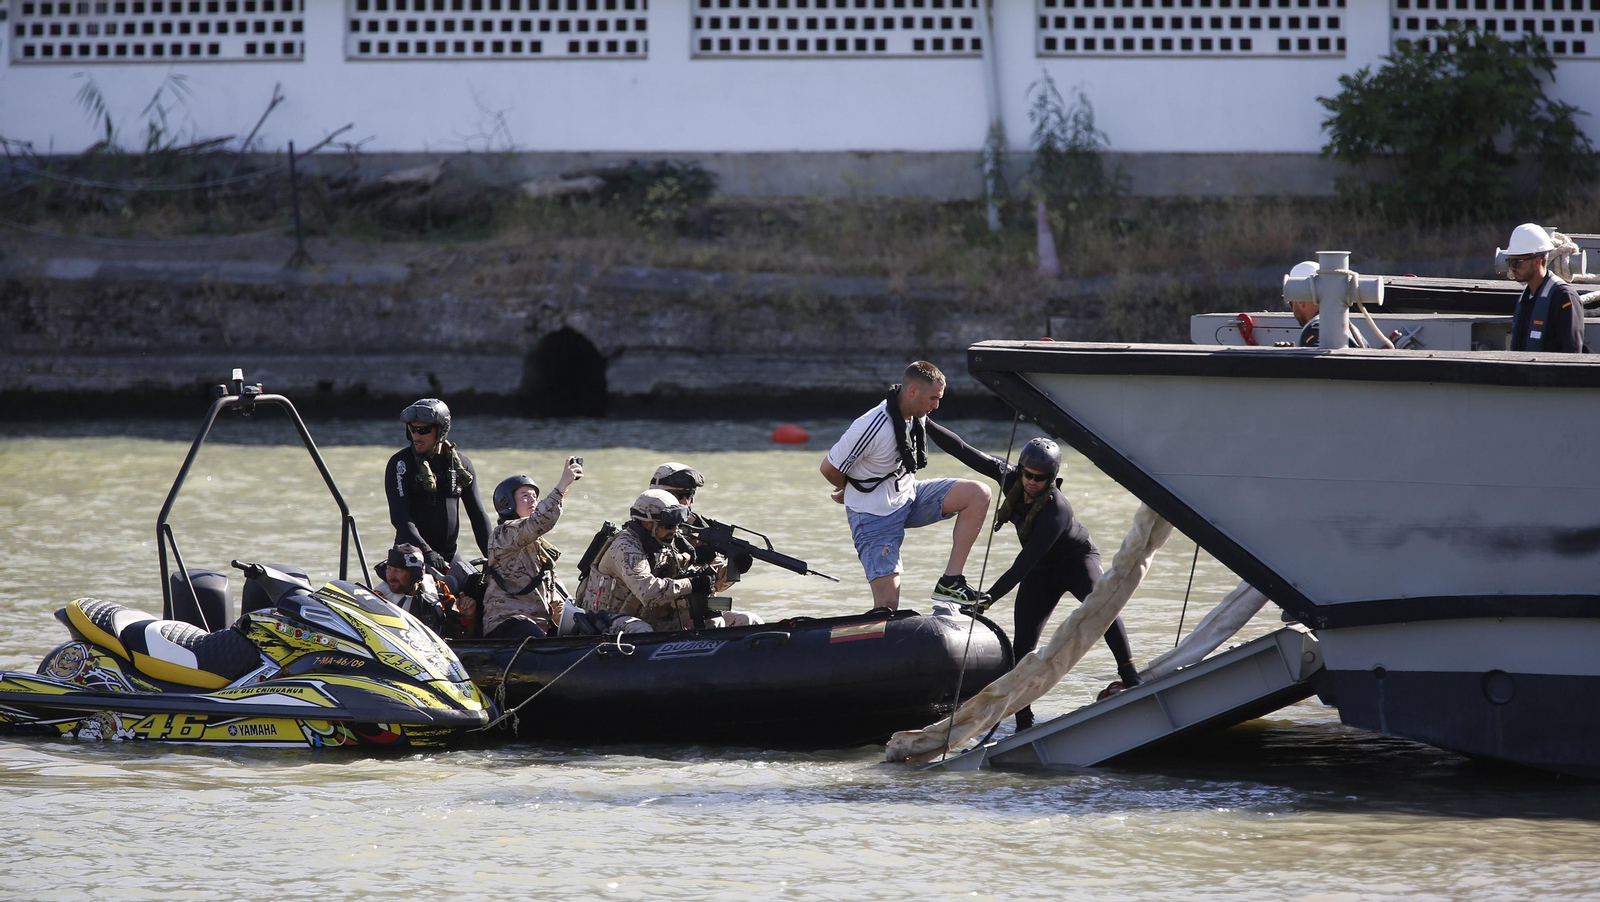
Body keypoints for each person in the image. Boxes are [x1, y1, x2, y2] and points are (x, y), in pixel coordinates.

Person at [928, 427, 1143, 728]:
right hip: (1042, 573)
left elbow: (1023, 563)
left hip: (1075, 561)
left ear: (1051, 478)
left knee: (1101, 608)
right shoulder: (1011, 477)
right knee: (1023, 644)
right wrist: (924, 421)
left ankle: (1130, 675)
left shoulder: (1057, 511)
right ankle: (1023, 718)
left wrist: (989, 597)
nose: (1030, 482)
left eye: (1039, 478)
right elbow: (964, 450)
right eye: (1027, 474)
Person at [820, 361, 993, 609]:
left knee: (978, 494)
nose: (937, 405)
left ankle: (951, 583)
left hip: (908, 496)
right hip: (874, 515)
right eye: (933, 398)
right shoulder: (871, 425)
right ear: (913, 391)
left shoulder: (915, 415)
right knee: (888, 604)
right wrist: (851, 487)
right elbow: (828, 468)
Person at [577, 489, 761, 632]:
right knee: (641, 630)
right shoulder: (625, 547)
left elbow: (712, 583)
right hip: (609, 619)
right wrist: (692, 584)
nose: (674, 530)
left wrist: (733, 568)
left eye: (677, 525)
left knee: (730, 620)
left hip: (657, 618)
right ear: (647, 523)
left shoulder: (670, 541)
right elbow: (649, 592)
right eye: (668, 526)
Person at [384, 398, 492, 576]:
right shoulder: (400, 464)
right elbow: (399, 517)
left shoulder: (462, 464)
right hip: (412, 557)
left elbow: (478, 516)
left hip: (449, 556)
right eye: (412, 429)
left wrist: (494, 558)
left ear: (441, 431)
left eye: (423, 430)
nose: (416, 436)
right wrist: (426, 552)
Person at [480, 458, 584, 640]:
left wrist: (577, 621)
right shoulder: (502, 535)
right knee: (531, 634)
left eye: (535, 497)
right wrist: (562, 486)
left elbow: (554, 594)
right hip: (507, 622)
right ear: (508, 502)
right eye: (525, 496)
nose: (532, 501)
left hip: (539, 624)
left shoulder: (538, 546)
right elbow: (539, 522)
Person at [1504, 223, 1587, 353]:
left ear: (1537, 261)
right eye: (1509, 262)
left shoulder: (1564, 297)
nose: (1512, 268)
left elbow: (1572, 353)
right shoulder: (1526, 298)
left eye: (1516, 263)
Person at [373, 543, 477, 639]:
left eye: (398, 571)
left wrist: (468, 618)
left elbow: (461, 638)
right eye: (389, 569)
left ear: (415, 575)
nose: (390, 577)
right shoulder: (378, 598)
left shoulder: (439, 589)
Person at [1286, 260, 1369, 349]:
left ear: (1301, 301)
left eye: (1291, 303)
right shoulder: (1348, 327)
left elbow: (1316, 361)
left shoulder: (1316, 329)